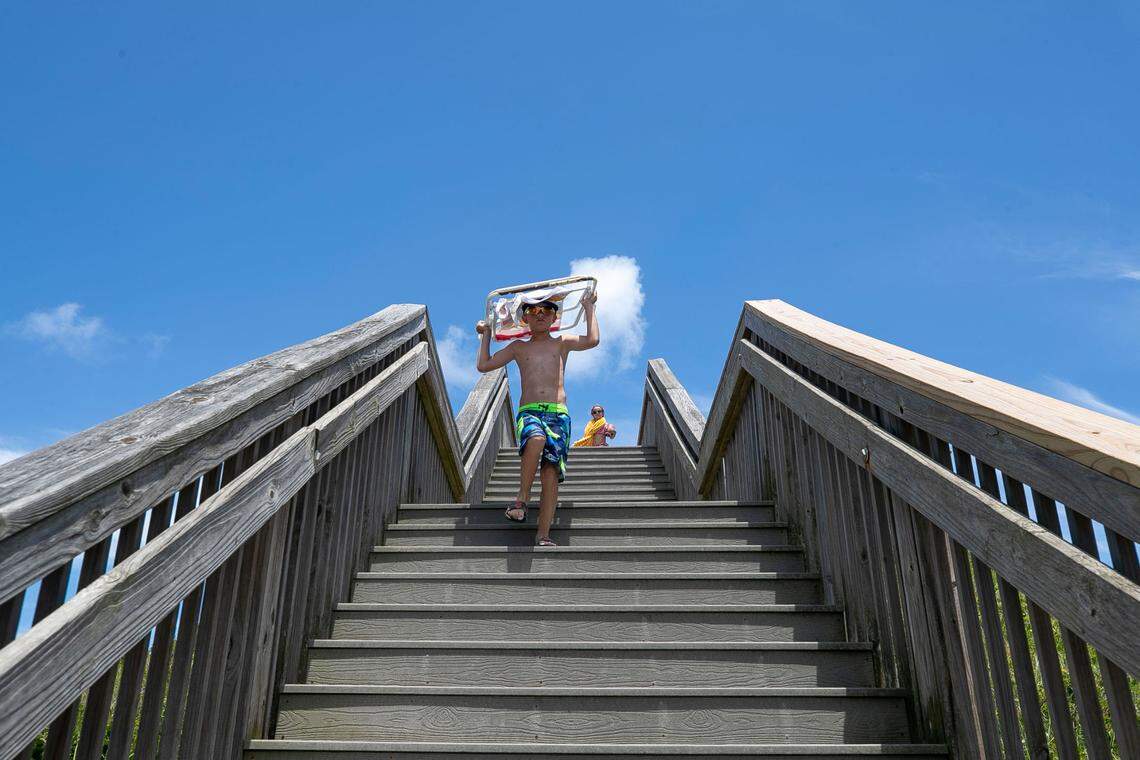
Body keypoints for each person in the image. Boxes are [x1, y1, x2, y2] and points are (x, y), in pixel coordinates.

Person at [475, 291, 599, 546]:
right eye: (533, 311)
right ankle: (521, 498)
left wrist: (588, 307)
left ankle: (543, 534)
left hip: (558, 413)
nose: (540, 314)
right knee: (536, 437)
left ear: (555, 317)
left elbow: (592, 339)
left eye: (546, 310)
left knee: (551, 473)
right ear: (525, 319)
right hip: (530, 410)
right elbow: (484, 365)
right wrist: (486, 334)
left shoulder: (562, 342)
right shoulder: (519, 348)